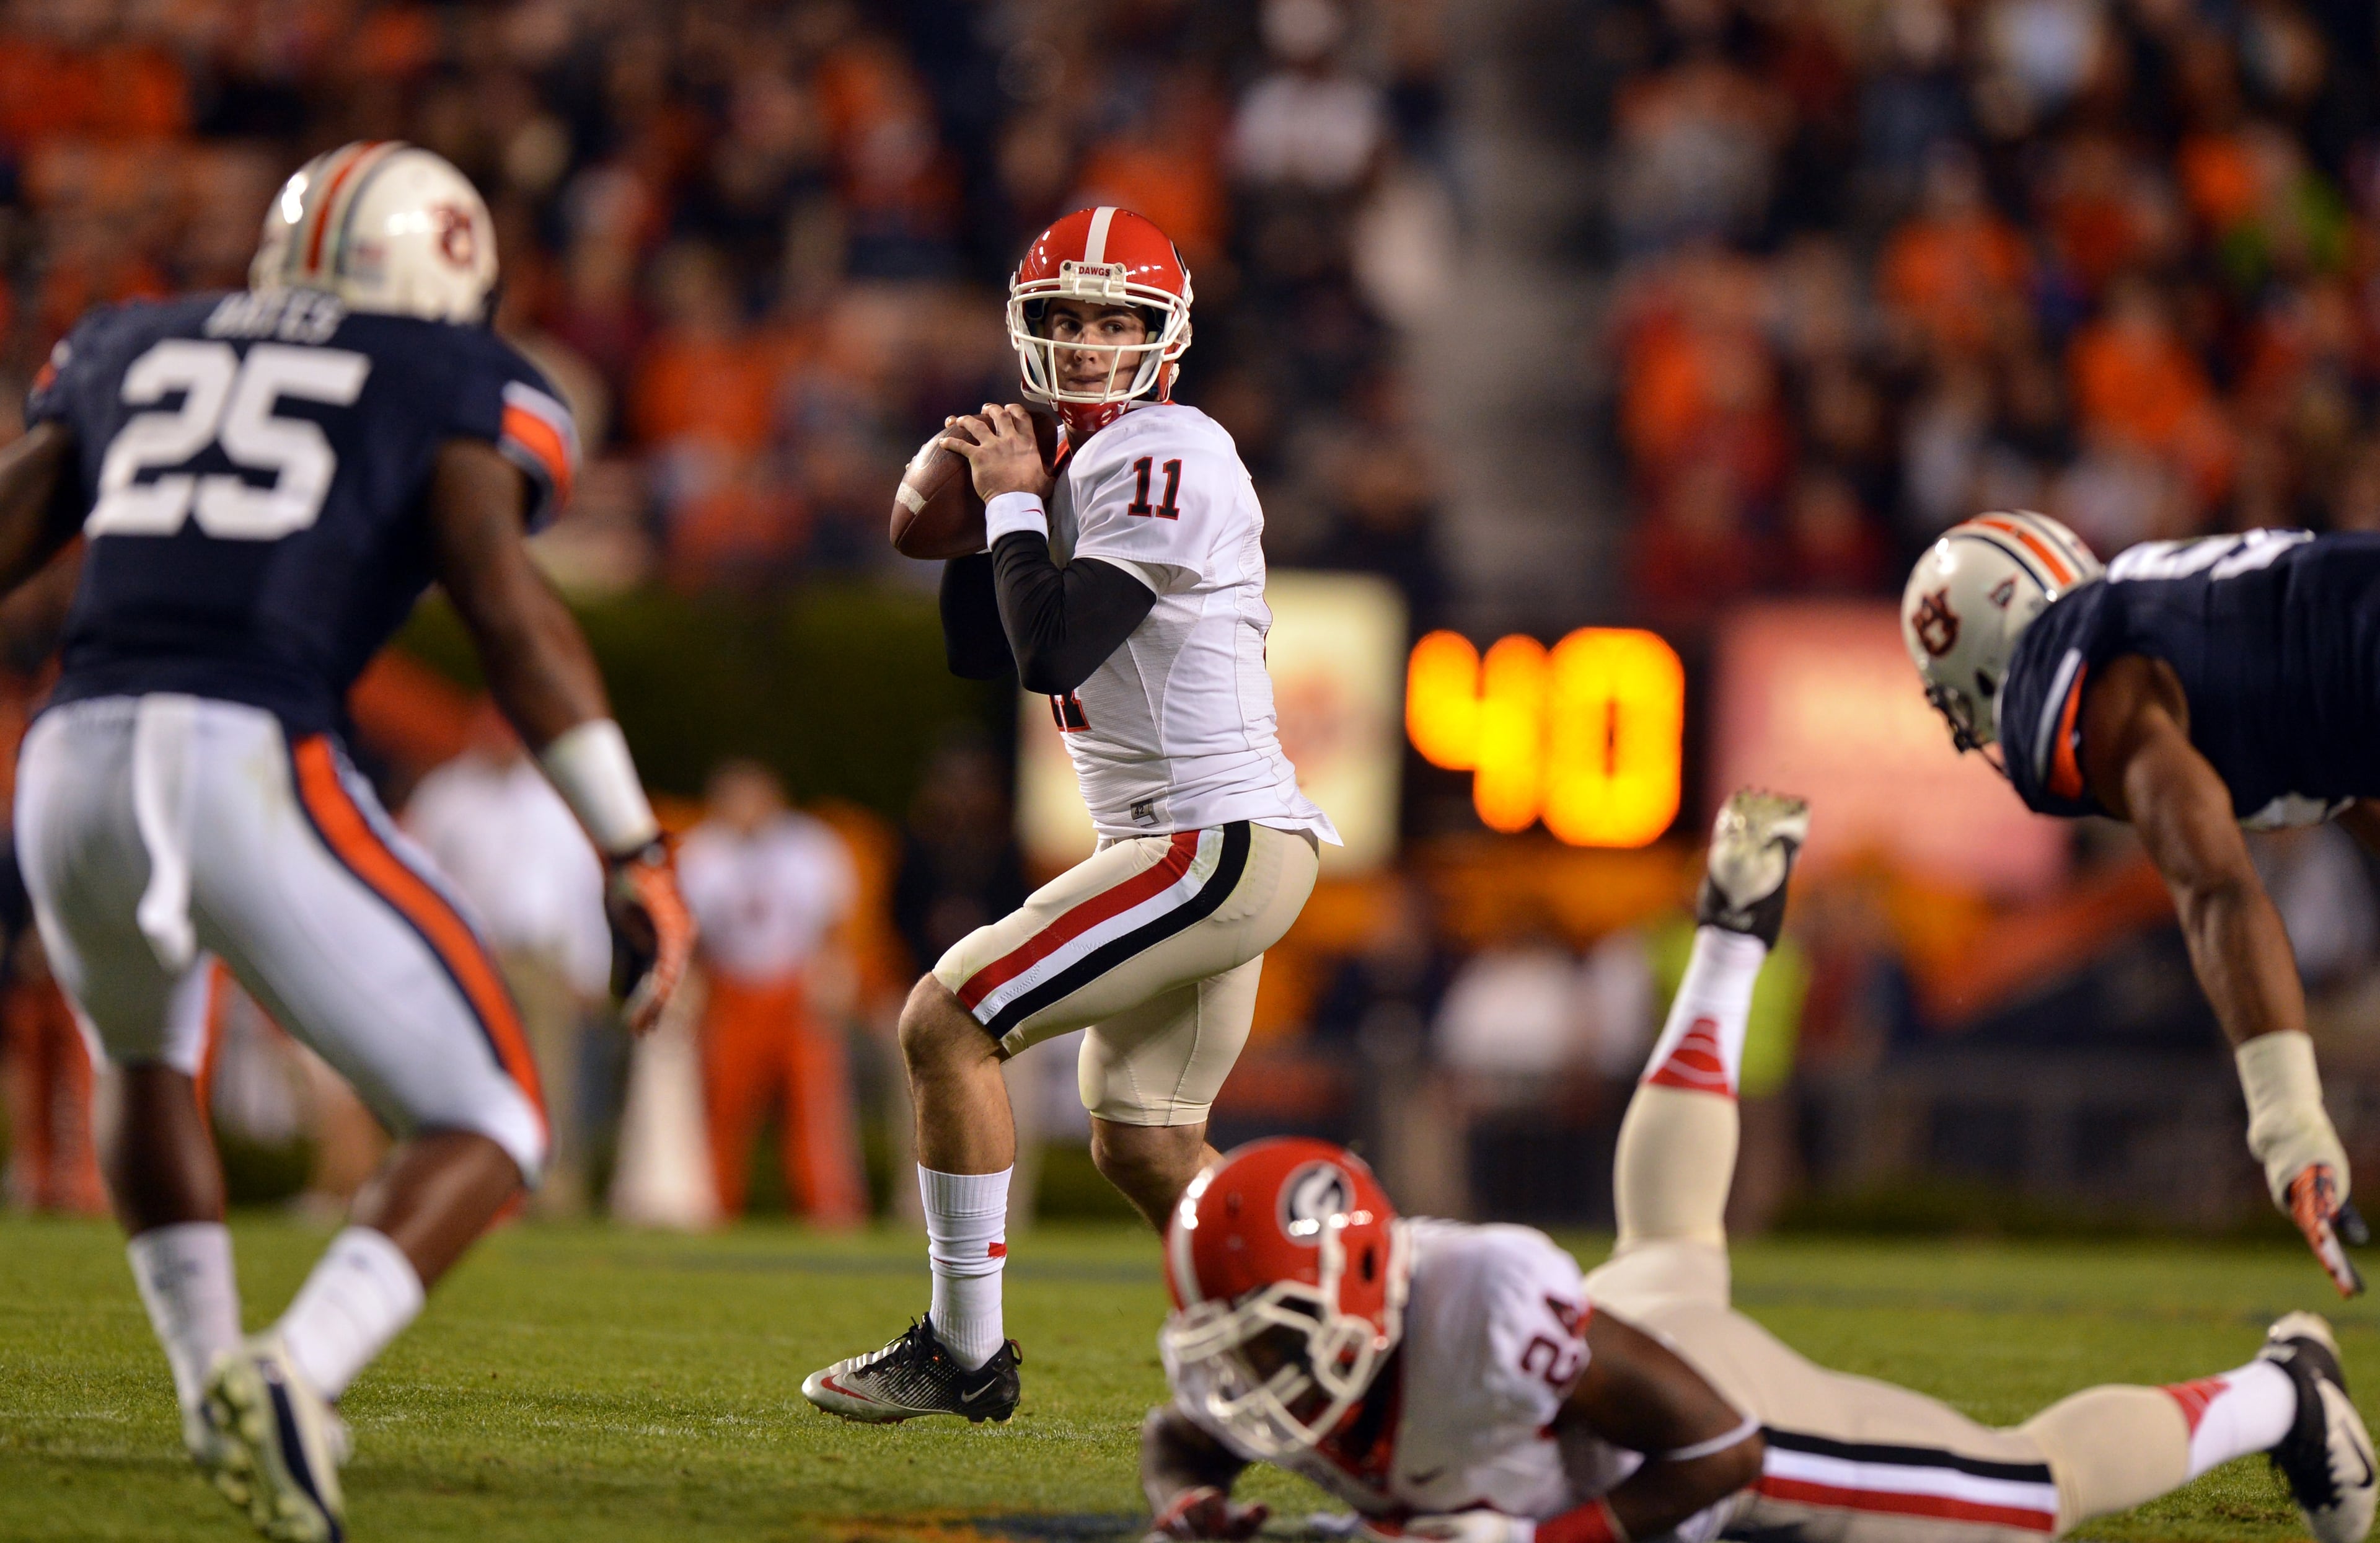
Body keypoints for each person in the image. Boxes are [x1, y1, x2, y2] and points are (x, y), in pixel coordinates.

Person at [0, 141, 695, 1543]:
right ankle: (295, 1366)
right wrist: (631, 842)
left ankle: (211, 1389)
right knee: (493, 1114)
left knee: (144, 1056)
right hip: (245, 748)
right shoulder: (451, 370)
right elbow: (504, 604)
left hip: (69, 753)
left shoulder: (133, 336)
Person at [1142, 792, 2379, 1543]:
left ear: (1365, 1288)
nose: (1254, 1372)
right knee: (1669, 1241)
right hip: (1608, 1367)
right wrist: (1189, 1498)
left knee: (2026, 1491)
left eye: (1272, 1335)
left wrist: (1542, 1536)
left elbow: (1721, 1450)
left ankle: (2281, 1390)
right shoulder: (1291, 1336)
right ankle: (1730, 947)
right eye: (1240, 1339)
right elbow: (1187, 1434)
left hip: (1720, 1425)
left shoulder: (1483, 1310)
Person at [801, 206, 1339, 1425]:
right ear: (1026, 323)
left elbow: (1054, 648)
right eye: (1065, 316)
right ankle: (1324, 1348)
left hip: (1205, 840)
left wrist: (1006, 504)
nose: (1089, 341)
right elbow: (980, 649)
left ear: (1163, 338)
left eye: (1115, 320)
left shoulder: (1172, 451)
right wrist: (983, 512)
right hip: (1200, 842)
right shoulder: (1080, 457)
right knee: (1144, 1143)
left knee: (947, 1020)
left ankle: (962, 1350)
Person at [1902, 513, 2380, 1296]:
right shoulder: (2189, 614)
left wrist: (2288, 1122)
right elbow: (2345, 742)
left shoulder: (2107, 695)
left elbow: (2217, 889)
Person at [403, 701, 613, 1216]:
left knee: (551, 1078)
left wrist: (590, 965)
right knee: (467, 1079)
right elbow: (416, 872)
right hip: (469, 954)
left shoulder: (553, 794)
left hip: (541, 956)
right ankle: (471, 1194)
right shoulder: (445, 794)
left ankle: (554, 1194)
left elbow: (580, 884)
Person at [677, 758, 866, 1224]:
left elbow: (834, 924)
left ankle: (827, 1209)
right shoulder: (703, 850)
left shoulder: (810, 846)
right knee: (723, 1106)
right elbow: (688, 932)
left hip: (795, 989)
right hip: (730, 990)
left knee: (813, 1107)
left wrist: (832, 976)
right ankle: (715, 1206)